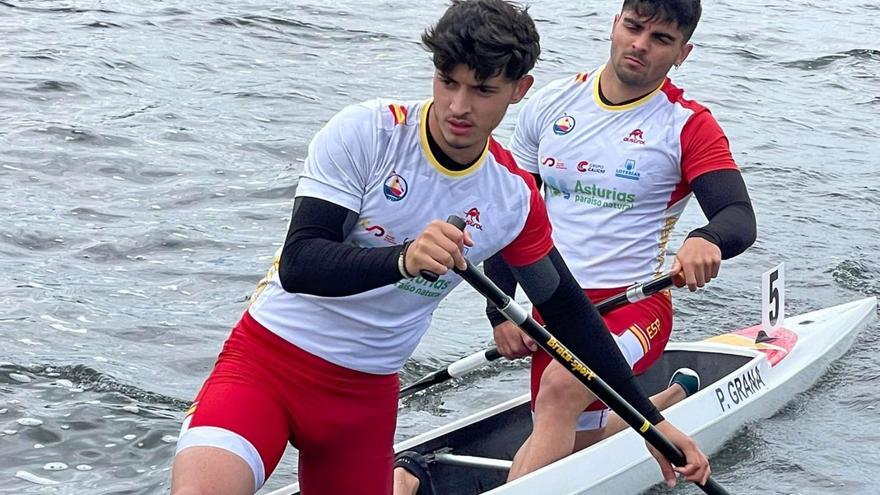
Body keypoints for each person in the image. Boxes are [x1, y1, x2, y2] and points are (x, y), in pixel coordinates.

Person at [170, 1, 711, 494]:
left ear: (519, 90)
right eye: (447, 82)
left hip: (364, 400)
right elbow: (300, 263)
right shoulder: (369, 132)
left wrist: (650, 421)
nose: (458, 107)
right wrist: (401, 258)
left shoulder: (511, 198)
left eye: (482, 91)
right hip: (268, 363)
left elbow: (568, 312)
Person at [483, 0, 757, 483]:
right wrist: (500, 311)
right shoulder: (550, 105)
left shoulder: (686, 125)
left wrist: (706, 237)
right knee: (576, 441)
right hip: (553, 301)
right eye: (633, 28)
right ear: (615, 24)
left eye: (661, 40)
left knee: (560, 389)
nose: (640, 45)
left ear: (682, 53)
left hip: (634, 307)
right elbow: (509, 215)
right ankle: (663, 401)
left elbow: (737, 214)